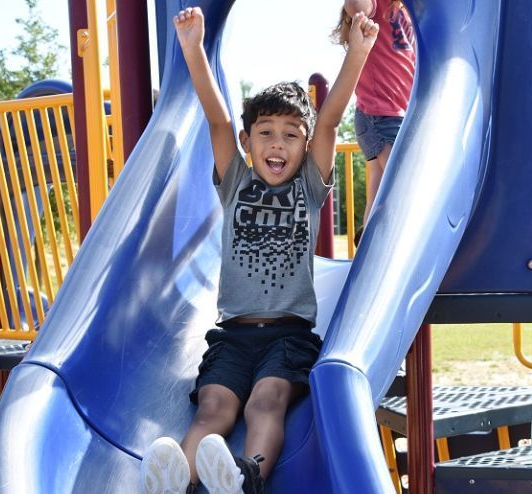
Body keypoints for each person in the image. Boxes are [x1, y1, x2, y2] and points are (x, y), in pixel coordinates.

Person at [140, 7, 378, 494]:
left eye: (292, 135)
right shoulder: (235, 183)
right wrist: (192, 51)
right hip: (231, 335)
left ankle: (247, 476)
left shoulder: (309, 186)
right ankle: (178, 479)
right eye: (266, 132)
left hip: (289, 337)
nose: (277, 143)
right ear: (249, 142)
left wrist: (357, 52)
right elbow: (217, 118)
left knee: (266, 401)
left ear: (305, 146)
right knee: (214, 408)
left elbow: (330, 121)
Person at [332, 0, 415, 238]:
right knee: (400, 186)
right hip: (380, 115)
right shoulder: (377, 5)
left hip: (397, 115)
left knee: (378, 192)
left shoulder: (405, 11)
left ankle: (368, 241)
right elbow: (356, 5)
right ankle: (383, 244)